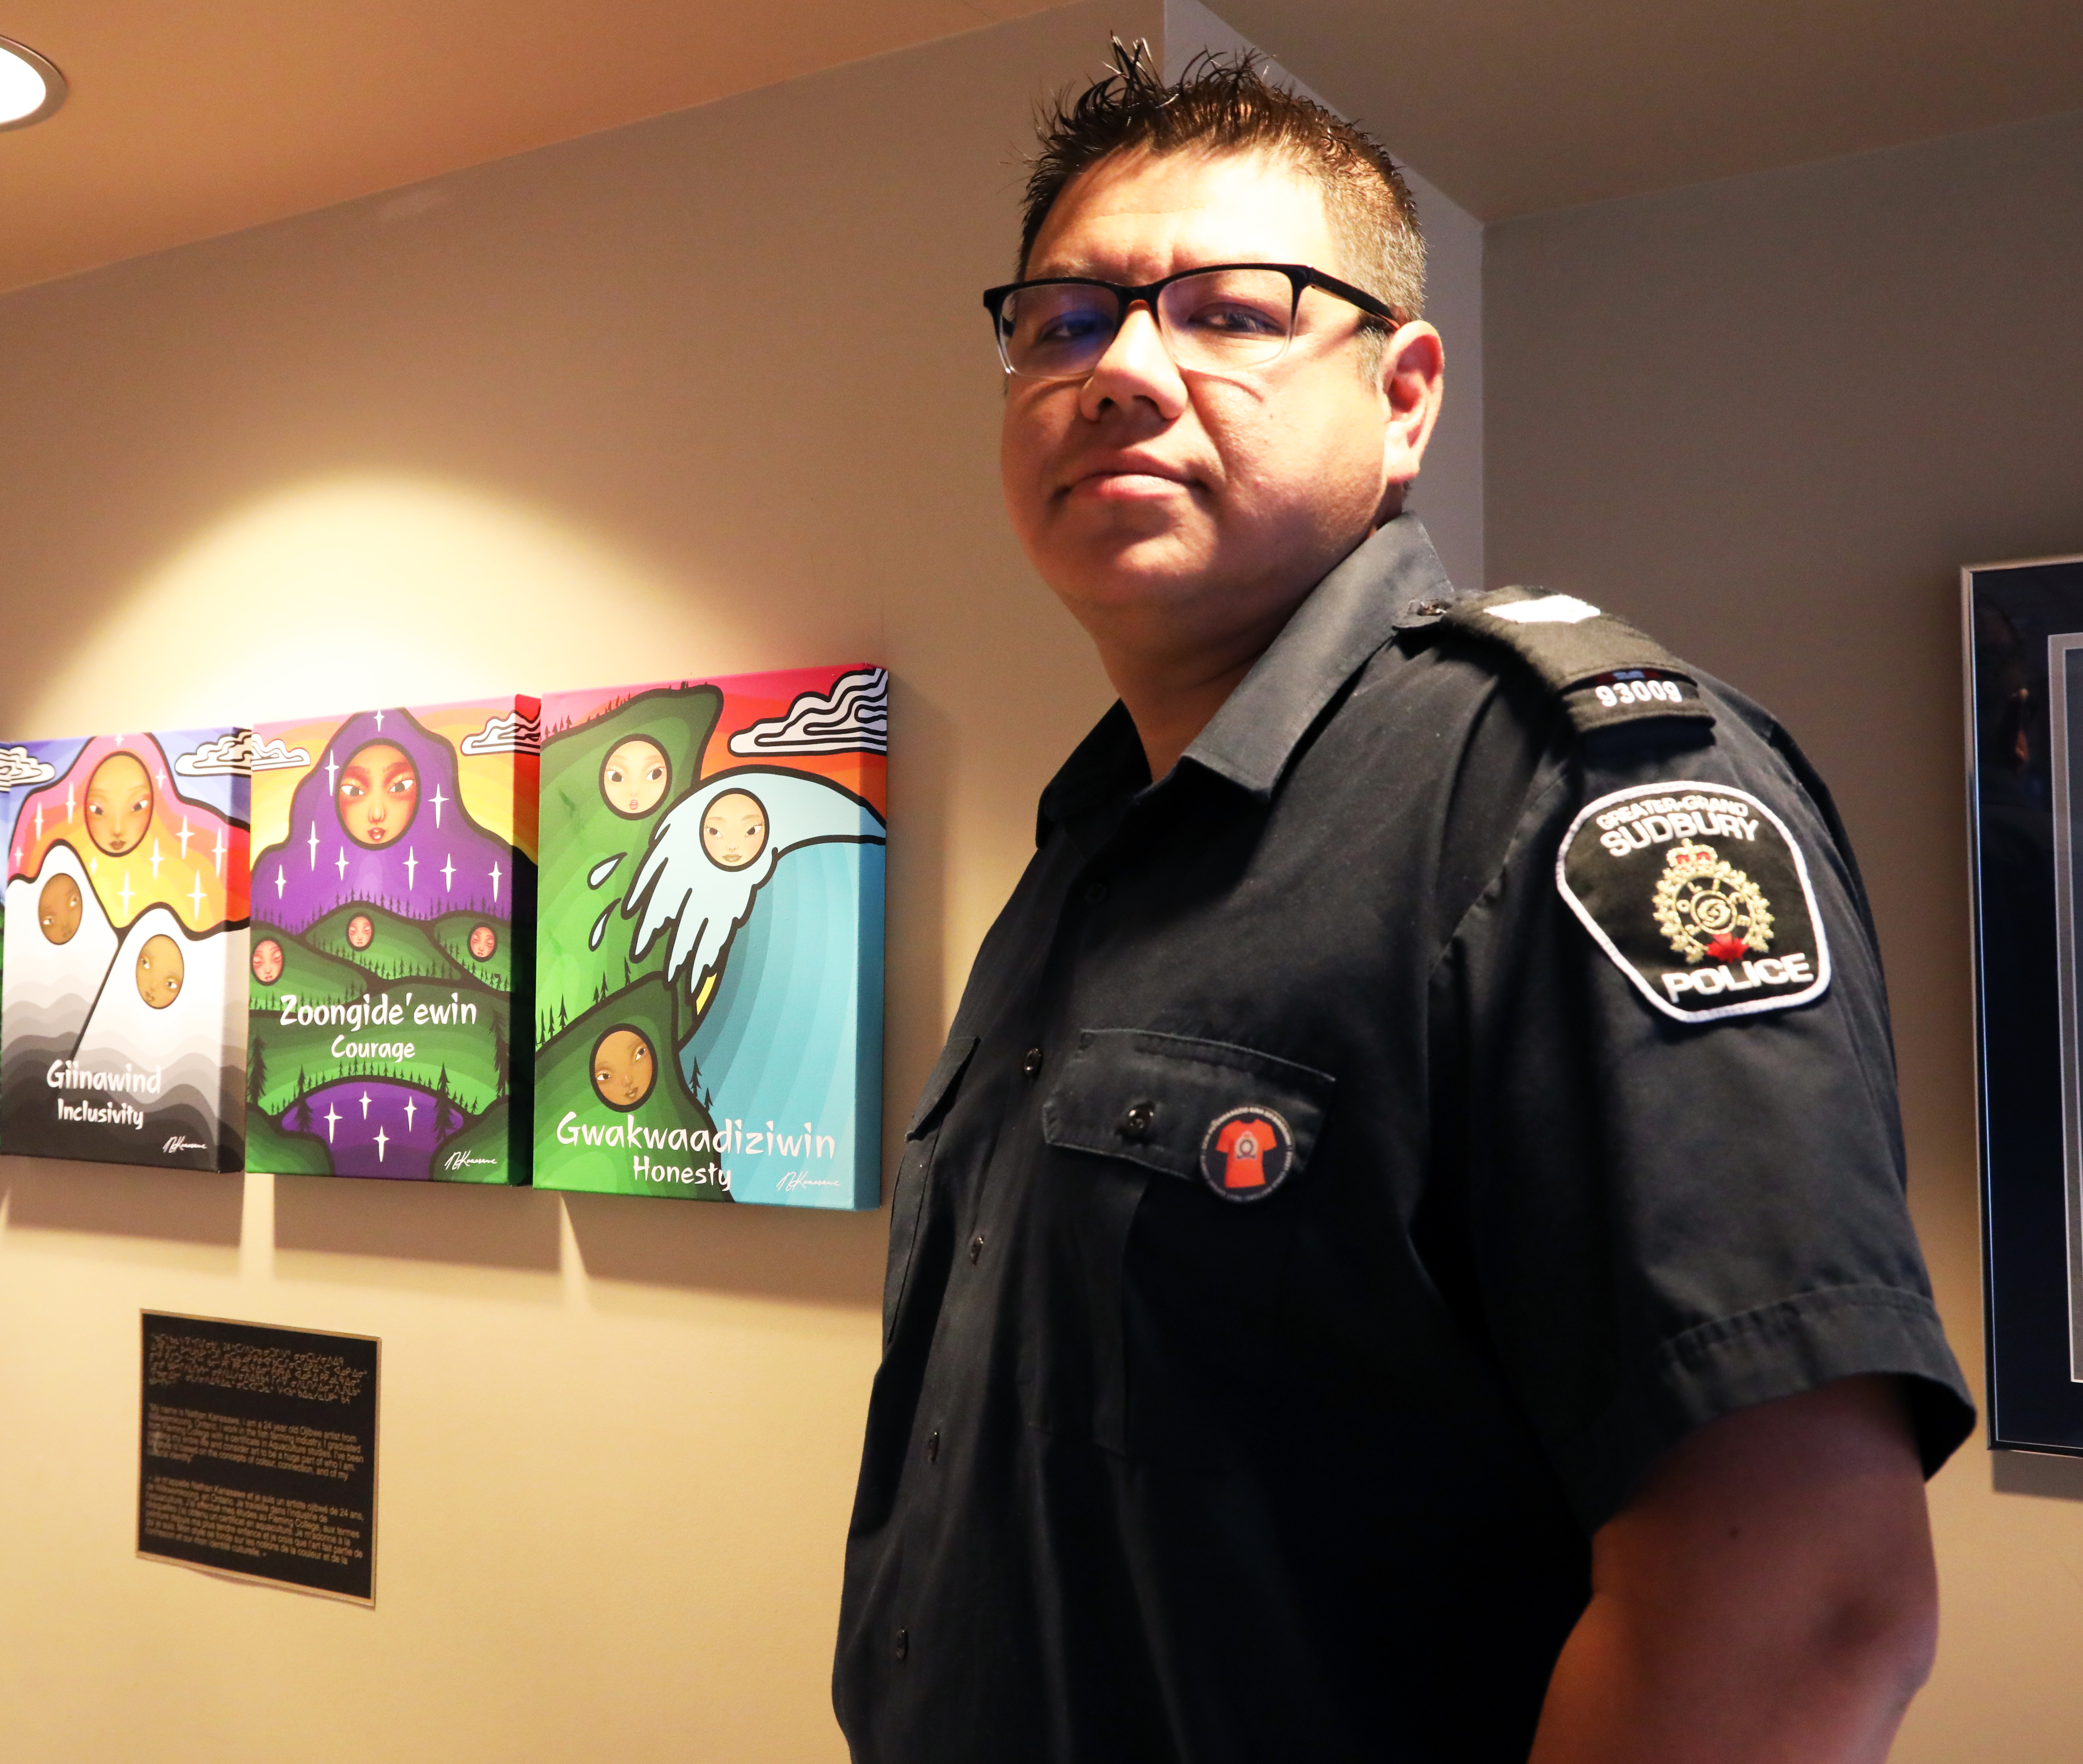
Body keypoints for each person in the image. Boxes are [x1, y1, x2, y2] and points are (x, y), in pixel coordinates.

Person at [834, 44, 1972, 1764]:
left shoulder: (1562, 798)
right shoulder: (1088, 858)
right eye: (1063, 321)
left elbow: (1807, 1608)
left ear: (1407, 397)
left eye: (1230, 311)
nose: (1122, 369)